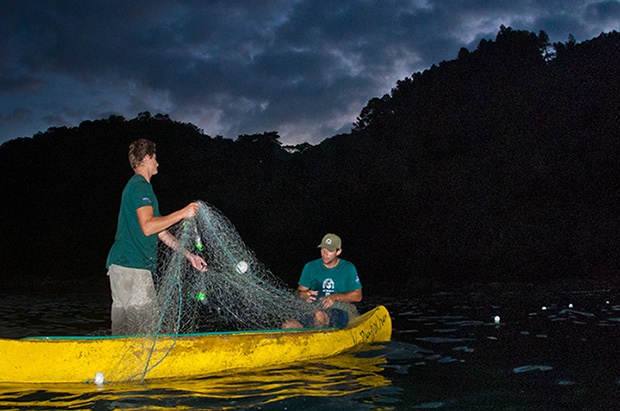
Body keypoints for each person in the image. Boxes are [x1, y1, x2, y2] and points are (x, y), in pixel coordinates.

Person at [106, 139, 207, 335]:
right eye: (155, 158)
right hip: (134, 268)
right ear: (146, 158)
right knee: (146, 333)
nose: (158, 163)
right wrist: (182, 213)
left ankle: (114, 364)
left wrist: (189, 256)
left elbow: (160, 231)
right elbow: (148, 226)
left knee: (123, 333)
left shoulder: (133, 187)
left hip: (120, 267)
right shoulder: (141, 186)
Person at [284, 233, 362, 328]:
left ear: (338, 252)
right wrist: (303, 295)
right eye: (323, 249)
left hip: (339, 309)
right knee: (288, 325)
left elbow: (358, 296)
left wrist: (335, 297)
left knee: (319, 315)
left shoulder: (348, 268)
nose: (325, 253)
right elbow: (300, 291)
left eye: (330, 250)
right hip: (314, 307)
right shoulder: (310, 267)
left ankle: (317, 340)